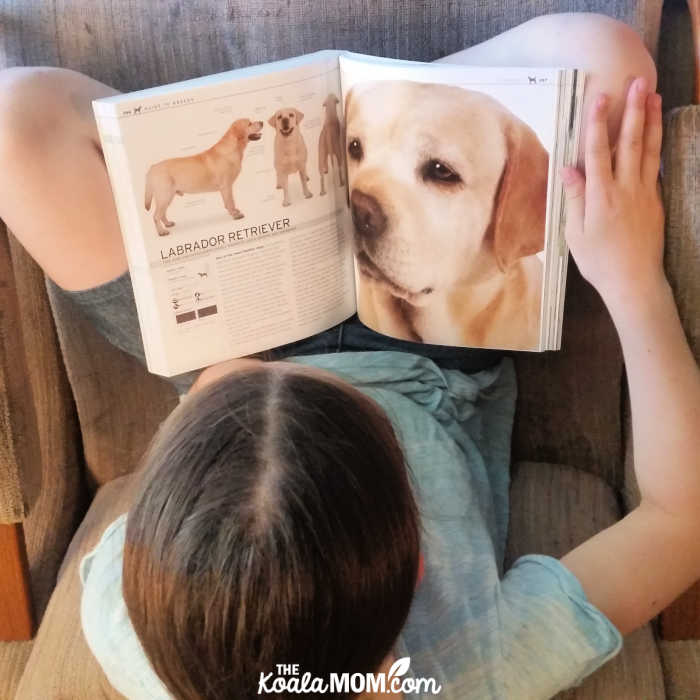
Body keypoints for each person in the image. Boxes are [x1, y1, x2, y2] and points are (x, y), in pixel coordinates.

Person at [0, 12, 698, 700]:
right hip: (432, 357)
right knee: (609, 62)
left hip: (223, 345)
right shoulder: (472, 671)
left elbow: (121, 562)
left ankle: (318, 126)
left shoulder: (137, 636)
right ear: (416, 561)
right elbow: (681, 517)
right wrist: (634, 279)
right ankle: (356, 113)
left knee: (11, 124)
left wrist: (227, 377)